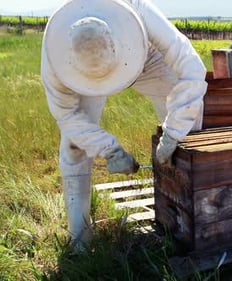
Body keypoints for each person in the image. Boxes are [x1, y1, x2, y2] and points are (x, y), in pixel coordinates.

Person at [41, 0, 207, 251]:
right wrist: (109, 150)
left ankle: (183, 215)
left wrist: (174, 132)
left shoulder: (139, 10)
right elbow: (66, 116)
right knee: (72, 146)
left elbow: (192, 69)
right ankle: (80, 240)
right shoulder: (55, 57)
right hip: (84, 76)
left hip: (147, 58)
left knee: (188, 126)